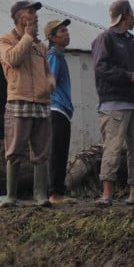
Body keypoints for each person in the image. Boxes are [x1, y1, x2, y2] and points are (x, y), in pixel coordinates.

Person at [91, 0, 134, 206]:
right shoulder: (105, 39)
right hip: (114, 103)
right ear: (125, 14)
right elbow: (101, 67)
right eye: (132, 13)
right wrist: (129, 76)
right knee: (113, 148)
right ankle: (106, 194)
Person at [0, 0, 55, 207]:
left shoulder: (41, 46)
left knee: (41, 150)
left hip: (41, 102)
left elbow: (48, 72)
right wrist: (28, 37)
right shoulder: (6, 40)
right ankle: (11, 196)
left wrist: (50, 84)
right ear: (20, 17)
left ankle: (40, 195)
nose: (36, 16)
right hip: (18, 100)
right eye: (31, 12)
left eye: (36, 13)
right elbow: (13, 59)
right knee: (15, 149)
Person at [44, 17, 74, 204]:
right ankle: (55, 193)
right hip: (57, 108)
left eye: (66, 30)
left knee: (60, 151)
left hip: (60, 109)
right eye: (62, 31)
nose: (66, 33)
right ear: (52, 37)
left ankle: (57, 191)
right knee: (58, 151)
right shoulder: (54, 55)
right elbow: (50, 81)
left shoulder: (57, 54)